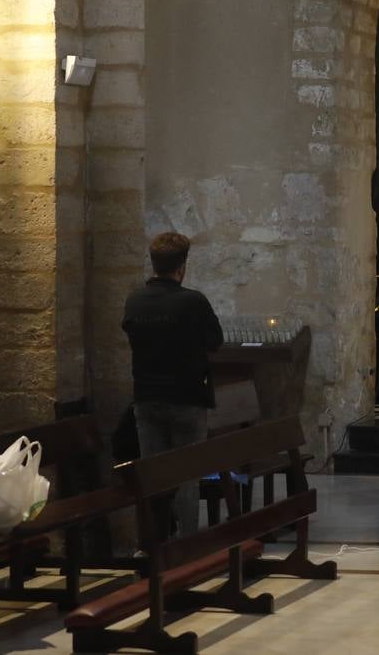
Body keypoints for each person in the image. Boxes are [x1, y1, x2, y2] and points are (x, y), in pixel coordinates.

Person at [122, 231, 224, 540]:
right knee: (187, 476)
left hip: (147, 398)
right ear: (182, 267)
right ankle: (187, 546)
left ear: (153, 263)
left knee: (155, 477)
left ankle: (155, 544)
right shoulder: (192, 301)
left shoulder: (135, 300)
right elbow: (215, 342)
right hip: (187, 398)